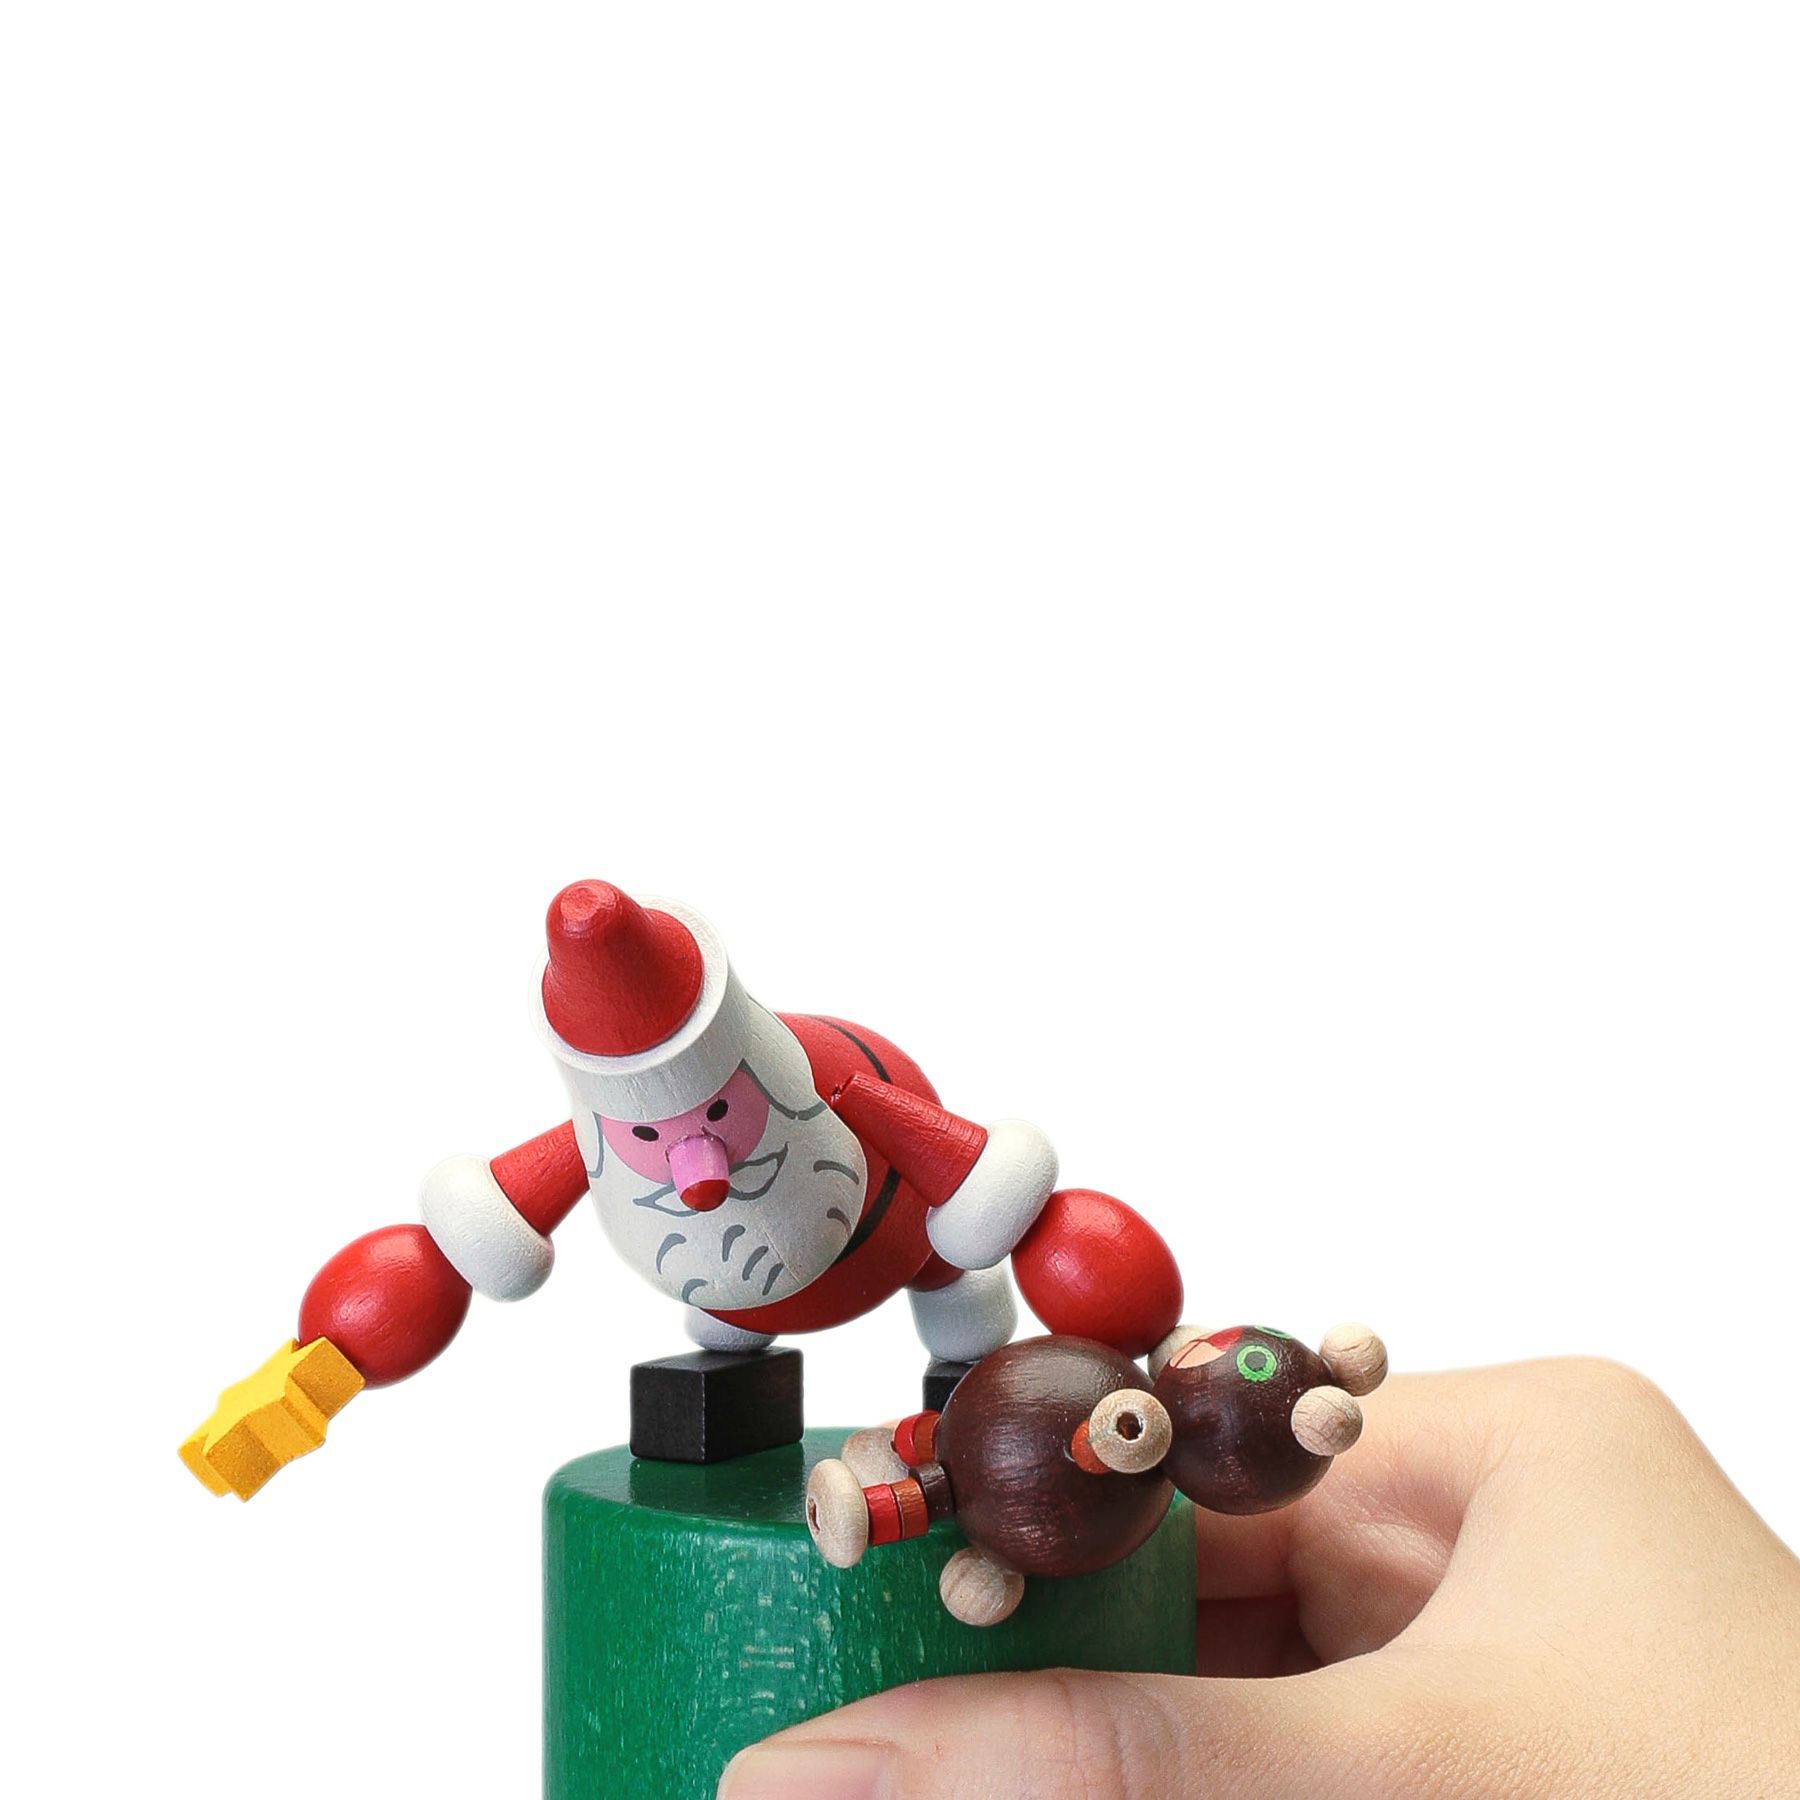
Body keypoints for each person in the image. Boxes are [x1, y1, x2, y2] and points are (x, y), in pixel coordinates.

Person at [718, 1359, 1800, 1797]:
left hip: (982, 1520)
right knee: (953, 1483)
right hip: (963, 1477)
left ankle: (897, 1495)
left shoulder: (1134, 1499)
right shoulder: (1088, 1406)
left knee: (962, 1518)